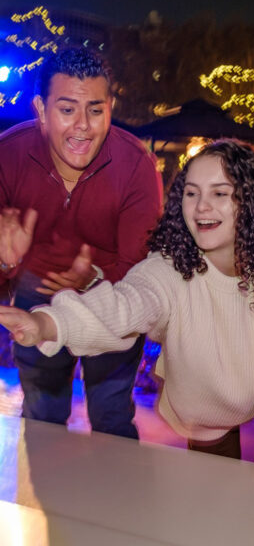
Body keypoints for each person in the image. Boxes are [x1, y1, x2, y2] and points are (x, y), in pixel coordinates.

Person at [0, 139, 254, 490]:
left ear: (251, 201)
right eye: (191, 193)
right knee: (212, 504)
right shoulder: (173, 264)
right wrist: (48, 323)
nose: (202, 206)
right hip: (208, 401)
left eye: (220, 193)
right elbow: (125, 305)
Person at [0, 47, 162, 439]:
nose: (83, 127)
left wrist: (93, 278)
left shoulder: (135, 165)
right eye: (67, 109)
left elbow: (144, 274)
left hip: (112, 296)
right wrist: (5, 264)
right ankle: (45, 501)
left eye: (95, 109)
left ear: (110, 106)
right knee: (42, 417)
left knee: (111, 418)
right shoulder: (8, 154)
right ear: (41, 108)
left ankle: (120, 501)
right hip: (35, 291)